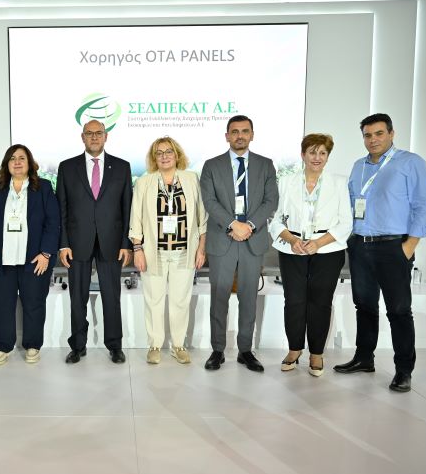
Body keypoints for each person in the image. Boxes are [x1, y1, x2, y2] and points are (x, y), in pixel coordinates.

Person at [335, 113, 426, 392]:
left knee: (399, 310)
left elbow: (423, 205)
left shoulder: (411, 162)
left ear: (392, 133)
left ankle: (403, 370)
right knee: (364, 306)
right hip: (360, 245)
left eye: (379, 133)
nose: (373, 140)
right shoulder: (358, 166)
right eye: (368, 135)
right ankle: (364, 358)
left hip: (393, 246)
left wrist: (409, 246)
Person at [200, 115, 279, 372]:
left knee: (248, 297)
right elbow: (209, 201)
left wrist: (249, 226)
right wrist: (233, 225)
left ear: (252, 135)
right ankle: (217, 350)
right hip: (223, 237)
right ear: (227, 136)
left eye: (245, 131)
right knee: (219, 296)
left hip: (252, 239)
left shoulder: (266, 165)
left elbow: (271, 201)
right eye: (234, 131)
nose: (240, 136)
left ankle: (245, 350)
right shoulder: (211, 166)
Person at [268, 134, 352, 376]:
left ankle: (316, 353)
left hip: (327, 250)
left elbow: (346, 222)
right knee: (294, 301)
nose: (317, 157)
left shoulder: (339, 183)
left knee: (321, 302)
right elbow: (274, 219)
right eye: (312, 152)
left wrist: (318, 243)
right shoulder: (286, 181)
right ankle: (294, 349)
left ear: (328, 156)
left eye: (322, 153)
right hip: (292, 249)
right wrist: (292, 240)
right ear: (303, 154)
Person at [56, 119, 133, 364]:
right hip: (77, 241)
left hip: (112, 241)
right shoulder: (67, 167)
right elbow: (61, 209)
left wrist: (126, 243)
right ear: (82, 137)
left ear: (106, 136)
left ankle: (115, 345)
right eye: (89, 133)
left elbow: (127, 209)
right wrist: (63, 243)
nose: (94, 137)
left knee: (112, 296)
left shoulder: (122, 167)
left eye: (99, 133)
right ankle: (78, 346)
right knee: (77, 297)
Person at [129, 136, 207, 364]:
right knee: (153, 300)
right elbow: (136, 218)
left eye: (168, 151)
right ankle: (154, 345)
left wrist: (201, 249)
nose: (164, 156)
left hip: (184, 251)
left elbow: (202, 217)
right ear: (154, 158)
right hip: (154, 252)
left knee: (180, 301)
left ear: (177, 154)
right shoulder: (144, 182)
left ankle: (178, 345)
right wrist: (137, 249)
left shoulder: (191, 179)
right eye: (159, 153)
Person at [0, 144, 60, 365]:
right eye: (12, 158)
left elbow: (53, 222)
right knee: (1, 304)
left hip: (34, 259)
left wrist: (46, 254)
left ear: (29, 163)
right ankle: (3, 346)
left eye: (22, 158)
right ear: (7, 163)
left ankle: (33, 345)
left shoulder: (43, 187)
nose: (17, 162)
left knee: (34, 303)